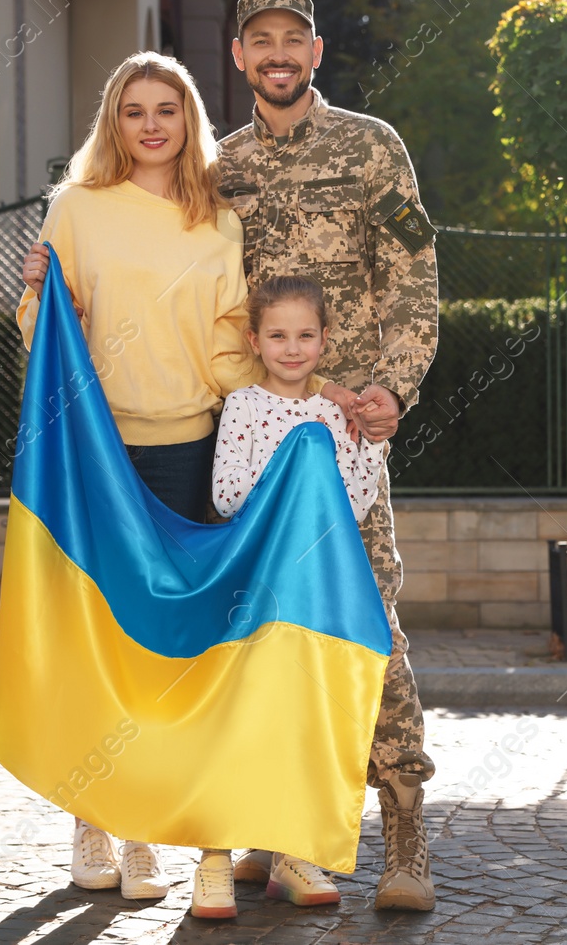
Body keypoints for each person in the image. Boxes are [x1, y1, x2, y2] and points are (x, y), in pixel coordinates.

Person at [216, 0, 441, 911]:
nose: (277, 53)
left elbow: (415, 273)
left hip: (348, 436)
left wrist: (395, 382)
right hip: (257, 440)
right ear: (239, 57)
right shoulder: (215, 166)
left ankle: (405, 840)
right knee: (261, 638)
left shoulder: (371, 147)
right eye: (260, 40)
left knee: (367, 626)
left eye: (292, 39)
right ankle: (273, 828)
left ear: (316, 51)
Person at [16, 51, 258, 903]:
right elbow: (42, 324)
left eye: (167, 109)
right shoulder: (76, 209)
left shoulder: (218, 219)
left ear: (188, 119)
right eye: (133, 110)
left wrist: (290, 406)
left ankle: (147, 826)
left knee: (170, 638)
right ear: (113, 123)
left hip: (190, 445)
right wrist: (41, 298)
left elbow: (232, 340)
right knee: (99, 628)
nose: (151, 124)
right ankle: (93, 816)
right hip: (96, 446)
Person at [191, 275, 385, 917]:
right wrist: (293, 473)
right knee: (238, 710)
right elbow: (226, 494)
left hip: (312, 595)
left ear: (325, 340)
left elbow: (354, 503)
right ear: (255, 340)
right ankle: (215, 857)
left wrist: (371, 446)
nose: (292, 347)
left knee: (300, 712)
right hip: (254, 588)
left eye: (306, 335)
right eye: (278, 335)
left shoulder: (338, 413)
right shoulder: (244, 407)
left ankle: (293, 854)